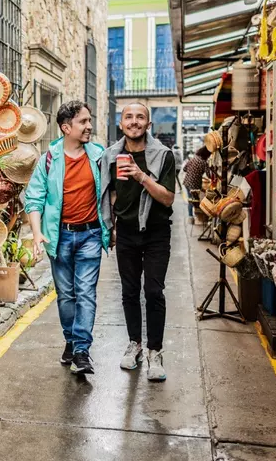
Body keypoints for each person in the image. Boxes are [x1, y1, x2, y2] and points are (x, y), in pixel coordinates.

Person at [25, 100, 110, 375]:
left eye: (89, 120)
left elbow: (112, 193)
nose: (89, 126)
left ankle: (82, 350)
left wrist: (113, 225)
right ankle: (71, 341)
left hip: (91, 235)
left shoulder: (98, 155)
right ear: (66, 127)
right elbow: (34, 198)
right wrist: (37, 233)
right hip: (59, 236)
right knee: (66, 295)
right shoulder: (49, 159)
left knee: (85, 293)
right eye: (83, 122)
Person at [98, 102, 175, 381]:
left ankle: (155, 350)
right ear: (121, 125)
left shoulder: (163, 156)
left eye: (140, 117)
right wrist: (114, 226)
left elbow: (167, 198)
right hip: (127, 233)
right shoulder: (111, 156)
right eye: (128, 117)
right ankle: (135, 344)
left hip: (156, 232)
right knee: (129, 291)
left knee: (153, 291)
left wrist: (141, 176)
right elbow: (112, 194)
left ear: (148, 124)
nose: (134, 122)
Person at [182, 146, 211, 221]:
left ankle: (190, 217)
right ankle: (194, 217)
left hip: (187, 182)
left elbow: (184, 169)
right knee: (194, 200)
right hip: (195, 184)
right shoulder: (204, 162)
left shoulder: (193, 159)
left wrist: (192, 171)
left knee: (190, 199)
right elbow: (209, 175)